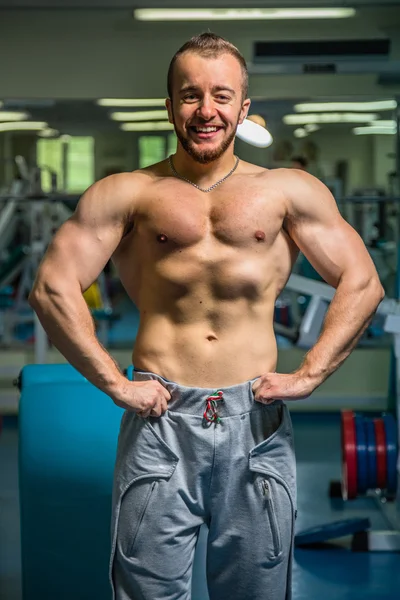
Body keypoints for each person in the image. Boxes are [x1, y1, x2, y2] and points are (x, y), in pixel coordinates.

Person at [29, 32, 384, 600]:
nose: (206, 110)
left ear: (243, 108)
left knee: (257, 592)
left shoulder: (287, 190)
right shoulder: (126, 193)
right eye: (190, 95)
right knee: (148, 593)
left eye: (222, 95)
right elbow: (51, 288)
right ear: (169, 106)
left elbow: (363, 281)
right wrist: (116, 384)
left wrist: (310, 374)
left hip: (256, 422)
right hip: (161, 420)